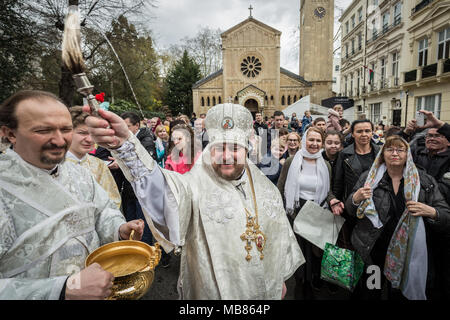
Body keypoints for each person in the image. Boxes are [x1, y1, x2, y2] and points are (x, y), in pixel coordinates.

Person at [83, 102, 305, 300]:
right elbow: (163, 189)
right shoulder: (194, 184)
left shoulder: (265, 188)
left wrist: (279, 280)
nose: (227, 156)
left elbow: (279, 239)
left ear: (246, 150)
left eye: (235, 148)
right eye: (220, 149)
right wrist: (126, 146)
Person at [0, 90, 144, 300]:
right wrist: (63, 289)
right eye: (43, 130)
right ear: (10, 133)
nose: (59, 140)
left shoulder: (81, 174)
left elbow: (102, 212)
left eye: (66, 129)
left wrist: (118, 230)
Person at [346, 135, 450, 300]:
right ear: (382, 153)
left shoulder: (424, 180)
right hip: (374, 249)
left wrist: (431, 211)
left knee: (400, 294)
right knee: (371, 291)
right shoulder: (369, 178)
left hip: (408, 253)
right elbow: (350, 210)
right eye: (389, 149)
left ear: (407, 154)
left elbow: (445, 216)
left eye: (400, 149)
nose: (395, 153)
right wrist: (355, 199)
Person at [277, 127, 344, 300]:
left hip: (316, 213)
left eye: (318, 141)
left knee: (315, 255)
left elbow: (328, 191)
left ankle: (311, 286)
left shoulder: (325, 164)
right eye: (311, 140)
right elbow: (281, 188)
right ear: (304, 140)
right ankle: (300, 288)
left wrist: (333, 201)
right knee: (299, 255)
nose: (314, 144)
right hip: (296, 212)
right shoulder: (292, 161)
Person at [333, 119, 380, 249]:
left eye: (367, 131)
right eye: (359, 131)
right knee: (352, 245)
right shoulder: (344, 154)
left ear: (372, 133)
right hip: (352, 208)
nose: (364, 134)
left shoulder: (380, 153)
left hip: (377, 207)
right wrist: (337, 203)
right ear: (353, 134)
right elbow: (338, 183)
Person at [66, 106, 121, 209]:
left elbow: (112, 202)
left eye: (93, 134)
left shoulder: (99, 166)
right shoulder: (53, 165)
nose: (90, 139)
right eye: (83, 133)